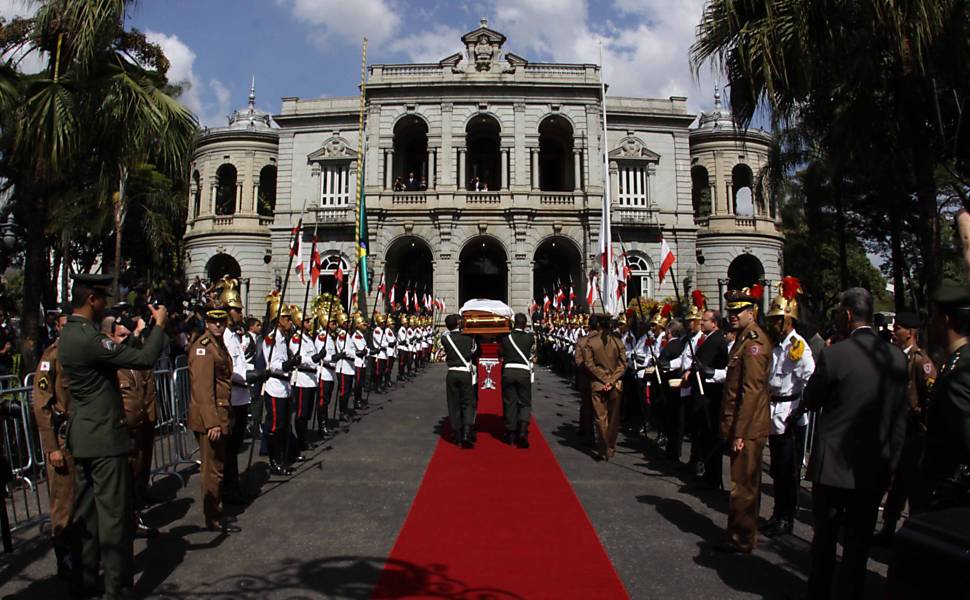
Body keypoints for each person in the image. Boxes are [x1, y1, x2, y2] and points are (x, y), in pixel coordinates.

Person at [59, 273, 168, 599]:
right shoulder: (89, 337)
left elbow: (113, 357)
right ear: (92, 298)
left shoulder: (72, 335)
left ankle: (86, 582)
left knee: (88, 520)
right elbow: (145, 360)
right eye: (103, 297)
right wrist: (159, 325)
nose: (105, 303)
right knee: (114, 520)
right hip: (106, 441)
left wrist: (138, 334)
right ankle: (117, 590)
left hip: (85, 439)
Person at [800, 287, 908, 599]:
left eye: (838, 313)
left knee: (825, 540)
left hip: (833, 464)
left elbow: (811, 398)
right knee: (858, 543)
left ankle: (819, 593)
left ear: (847, 315)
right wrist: (892, 462)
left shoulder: (834, 355)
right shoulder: (897, 358)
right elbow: (899, 419)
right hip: (874, 463)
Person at [873, 311, 936, 544]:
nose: (894, 331)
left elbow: (932, 395)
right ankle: (888, 527)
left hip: (911, 433)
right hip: (892, 429)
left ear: (910, 333)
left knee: (907, 483)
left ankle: (914, 534)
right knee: (893, 482)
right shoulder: (894, 356)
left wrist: (918, 415)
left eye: (898, 328)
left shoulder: (920, 361)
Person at [716, 286, 770, 554]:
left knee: (743, 486)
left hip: (748, 427)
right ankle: (738, 534)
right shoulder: (743, 340)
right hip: (742, 424)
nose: (733, 315)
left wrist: (739, 432)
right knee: (740, 484)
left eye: (739, 311)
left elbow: (751, 392)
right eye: (731, 311)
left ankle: (742, 539)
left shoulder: (754, 345)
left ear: (752, 312)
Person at [761, 279, 815, 537]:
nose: (772, 324)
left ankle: (787, 518)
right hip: (774, 413)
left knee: (788, 472)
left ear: (789, 320)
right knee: (776, 471)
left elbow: (809, 380)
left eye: (777, 320)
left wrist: (800, 410)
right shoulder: (777, 346)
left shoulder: (798, 346)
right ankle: (777, 513)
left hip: (791, 414)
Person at [104, 316, 159, 538]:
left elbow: (144, 393)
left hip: (136, 431)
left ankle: (133, 520)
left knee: (134, 479)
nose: (127, 341)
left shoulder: (132, 362)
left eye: (129, 335)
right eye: (122, 336)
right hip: (117, 434)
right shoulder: (108, 365)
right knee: (119, 486)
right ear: (110, 337)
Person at [187, 302, 240, 533]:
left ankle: (215, 510)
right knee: (212, 469)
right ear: (206, 323)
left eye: (222, 321)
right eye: (213, 321)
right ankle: (213, 515)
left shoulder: (218, 345)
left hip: (221, 412)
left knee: (217, 466)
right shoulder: (203, 347)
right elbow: (202, 390)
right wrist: (212, 422)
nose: (218, 325)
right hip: (211, 417)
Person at [31, 309, 75, 581]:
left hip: (83, 439)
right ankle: (65, 563)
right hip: (62, 438)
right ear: (57, 328)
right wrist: (51, 448)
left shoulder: (82, 353)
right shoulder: (52, 357)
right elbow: (41, 403)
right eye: (64, 326)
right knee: (63, 505)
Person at [920, 282, 970, 511]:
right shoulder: (958, 362)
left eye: (933, 316)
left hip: (948, 494)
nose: (929, 323)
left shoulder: (957, 375)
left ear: (946, 320)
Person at [684, 308, 729, 490]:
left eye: (705, 320)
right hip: (703, 393)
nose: (701, 323)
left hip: (709, 396)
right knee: (703, 436)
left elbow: (705, 366)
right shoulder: (709, 339)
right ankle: (708, 472)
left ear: (715, 323)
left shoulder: (716, 341)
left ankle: (713, 477)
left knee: (710, 436)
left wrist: (695, 371)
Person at [221, 283, 253, 502]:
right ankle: (229, 491)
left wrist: (260, 371)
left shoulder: (234, 336)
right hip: (231, 397)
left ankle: (234, 486)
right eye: (237, 310)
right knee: (229, 450)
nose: (241, 313)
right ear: (226, 311)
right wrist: (251, 376)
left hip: (242, 398)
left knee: (236, 445)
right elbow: (229, 371)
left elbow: (243, 363)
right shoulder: (223, 336)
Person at [581, 314, 627, 461]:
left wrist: (605, 379)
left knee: (601, 418)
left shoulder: (590, 343)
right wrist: (612, 380)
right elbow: (623, 364)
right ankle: (610, 446)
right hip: (614, 384)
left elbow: (589, 364)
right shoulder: (618, 342)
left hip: (598, 383)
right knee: (613, 418)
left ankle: (603, 447)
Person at [261, 303, 298, 476]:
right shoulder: (271, 338)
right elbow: (272, 364)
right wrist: (287, 364)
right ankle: (275, 461)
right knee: (275, 426)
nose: (289, 321)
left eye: (290, 318)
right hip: (275, 386)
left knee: (284, 426)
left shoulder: (283, 337)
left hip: (285, 386)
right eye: (286, 318)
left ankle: (283, 458)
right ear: (277, 320)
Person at [499, 313, 536, 448]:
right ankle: (522, 432)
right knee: (524, 403)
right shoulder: (529, 338)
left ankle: (510, 433)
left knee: (510, 402)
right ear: (525, 324)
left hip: (508, 371)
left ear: (514, 323)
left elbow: (500, 352)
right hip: (523, 372)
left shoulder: (505, 337)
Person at [441, 314, 476, 448]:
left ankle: (457, 434)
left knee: (453, 403)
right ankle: (467, 434)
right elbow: (473, 350)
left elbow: (444, 335)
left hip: (452, 373)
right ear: (458, 323)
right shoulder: (468, 337)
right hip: (465, 373)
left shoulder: (445, 338)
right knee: (467, 403)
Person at [290, 308, 318, 453]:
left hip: (311, 378)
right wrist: (313, 359)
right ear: (299, 323)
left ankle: (305, 436)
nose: (309, 323)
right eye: (306, 321)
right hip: (302, 378)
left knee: (307, 412)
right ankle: (302, 441)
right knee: (301, 412)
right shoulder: (296, 338)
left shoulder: (308, 338)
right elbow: (298, 357)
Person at [575, 314, 598, 446]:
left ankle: (590, 436)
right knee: (601, 409)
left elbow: (578, 361)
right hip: (602, 379)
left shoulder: (582, 341)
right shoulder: (606, 339)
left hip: (586, 378)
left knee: (588, 408)